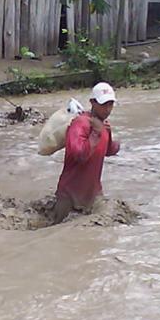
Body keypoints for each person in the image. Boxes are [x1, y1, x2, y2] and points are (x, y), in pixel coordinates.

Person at [52, 82, 121, 224]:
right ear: (92, 103)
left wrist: (114, 141)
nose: (107, 109)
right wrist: (96, 132)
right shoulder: (80, 124)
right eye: (103, 104)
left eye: (110, 104)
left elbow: (108, 150)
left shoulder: (103, 125)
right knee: (55, 229)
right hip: (70, 194)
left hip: (93, 193)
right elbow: (80, 155)